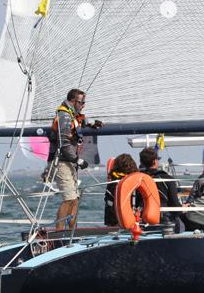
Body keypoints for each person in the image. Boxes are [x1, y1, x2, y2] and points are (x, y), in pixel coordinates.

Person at [47, 89, 102, 230]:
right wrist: (78, 160)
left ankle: (72, 231)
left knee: (75, 200)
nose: (83, 105)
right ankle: (58, 232)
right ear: (73, 101)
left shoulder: (72, 115)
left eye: (84, 102)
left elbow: (79, 123)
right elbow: (64, 143)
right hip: (62, 162)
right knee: (69, 199)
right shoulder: (64, 116)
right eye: (81, 102)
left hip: (69, 162)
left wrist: (91, 125)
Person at [139, 147, 184, 232]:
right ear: (154, 161)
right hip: (165, 222)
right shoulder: (167, 179)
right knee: (182, 225)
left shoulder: (139, 180)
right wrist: (183, 209)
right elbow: (175, 205)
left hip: (145, 223)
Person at [103, 153, 139, 226]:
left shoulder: (112, 184)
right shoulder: (136, 183)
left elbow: (109, 202)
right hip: (132, 221)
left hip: (114, 221)